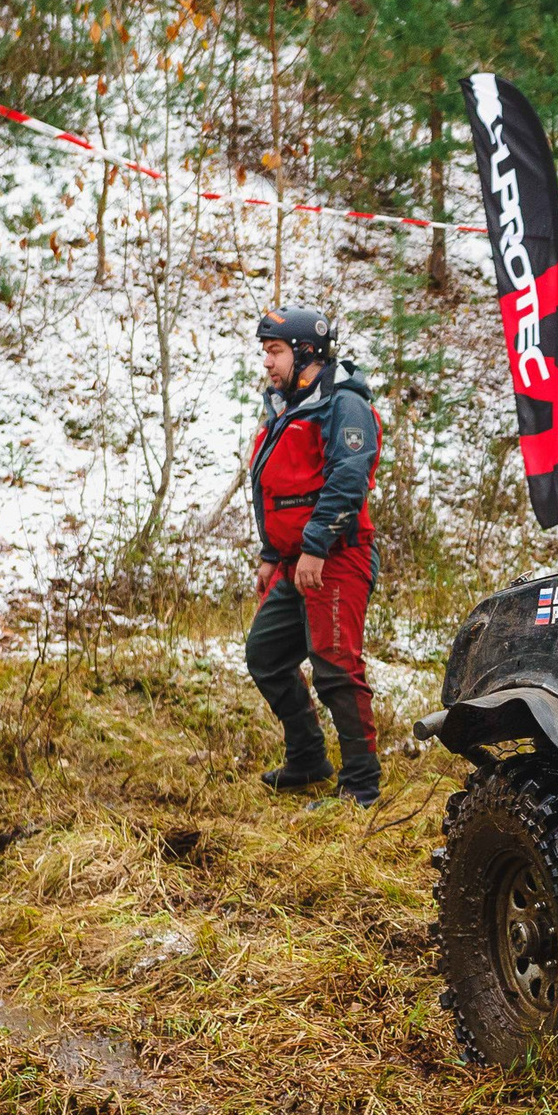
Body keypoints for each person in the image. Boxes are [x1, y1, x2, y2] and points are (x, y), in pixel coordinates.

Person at [244, 306, 384, 806]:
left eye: (275, 351)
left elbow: (349, 477)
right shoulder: (286, 406)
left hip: (335, 557)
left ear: (307, 353)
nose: (267, 362)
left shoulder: (343, 405)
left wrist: (315, 546)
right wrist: (270, 551)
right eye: (265, 351)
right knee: (265, 656)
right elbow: (274, 484)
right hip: (292, 560)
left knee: (335, 666)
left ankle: (361, 785)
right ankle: (308, 759)